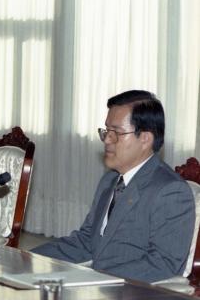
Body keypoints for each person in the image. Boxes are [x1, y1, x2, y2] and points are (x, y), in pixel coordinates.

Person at [31, 90, 195, 283]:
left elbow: (163, 264)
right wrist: (27, 258)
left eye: (116, 133)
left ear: (145, 139)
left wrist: (98, 280)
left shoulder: (170, 191)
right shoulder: (109, 181)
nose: (107, 140)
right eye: (106, 131)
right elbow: (86, 242)